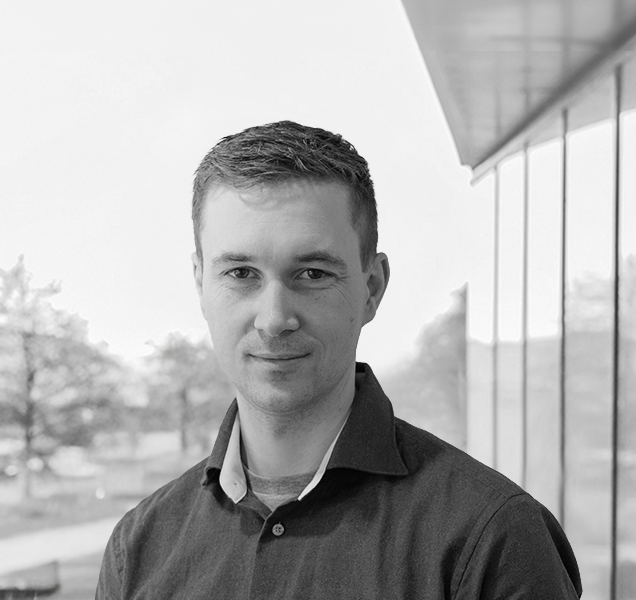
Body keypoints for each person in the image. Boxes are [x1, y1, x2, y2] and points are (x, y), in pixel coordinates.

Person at [96, 121, 582, 599]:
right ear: (201, 283)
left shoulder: (494, 538)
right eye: (241, 273)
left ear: (372, 288)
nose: (274, 319)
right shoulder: (137, 550)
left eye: (312, 273)